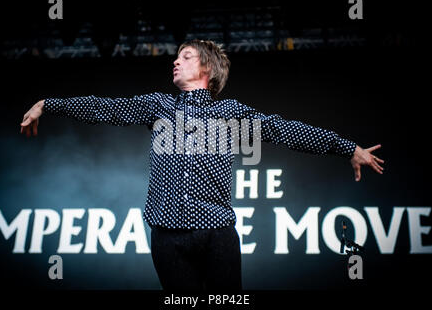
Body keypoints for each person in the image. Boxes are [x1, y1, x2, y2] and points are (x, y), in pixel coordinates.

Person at [20, 39, 384, 291]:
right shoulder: (157, 105)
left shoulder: (230, 113)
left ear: (207, 67)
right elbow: (105, 108)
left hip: (217, 236)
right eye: (176, 57)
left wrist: (346, 147)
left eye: (186, 56)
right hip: (167, 238)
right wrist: (48, 103)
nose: (175, 61)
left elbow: (283, 130)